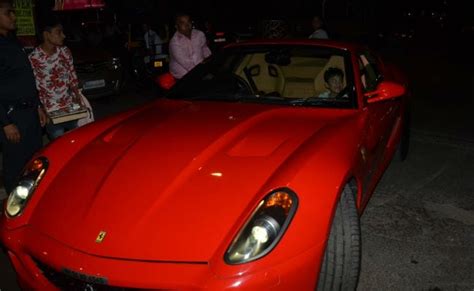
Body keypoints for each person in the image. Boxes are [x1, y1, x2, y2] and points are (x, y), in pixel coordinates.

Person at [0, 0, 47, 194]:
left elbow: (25, 78)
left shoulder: (12, 40)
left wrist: (38, 106)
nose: (13, 16)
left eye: (13, 12)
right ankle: (13, 213)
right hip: (13, 117)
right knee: (15, 168)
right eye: (7, 13)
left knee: (34, 163)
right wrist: (5, 123)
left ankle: (32, 203)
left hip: (30, 113)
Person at [29, 16, 81, 140]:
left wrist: (77, 95)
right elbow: (32, 86)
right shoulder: (33, 58)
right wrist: (39, 109)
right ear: (47, 35)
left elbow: (72, 74)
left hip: (71, 106)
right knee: (59, 144)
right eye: (59, 32)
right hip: (50, 111)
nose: (63, 35)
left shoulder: (65, 51)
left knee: (77, 140)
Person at [169, 13, 211, 80]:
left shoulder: (199, 34)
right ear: (176, 26)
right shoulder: (174, 42)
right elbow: (187, 63)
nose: (187, 25)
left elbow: (205, 49)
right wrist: (203, 74)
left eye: (188, 21)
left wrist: (209, 64)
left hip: (200, 71)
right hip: (182, 77)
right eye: (182, 22)